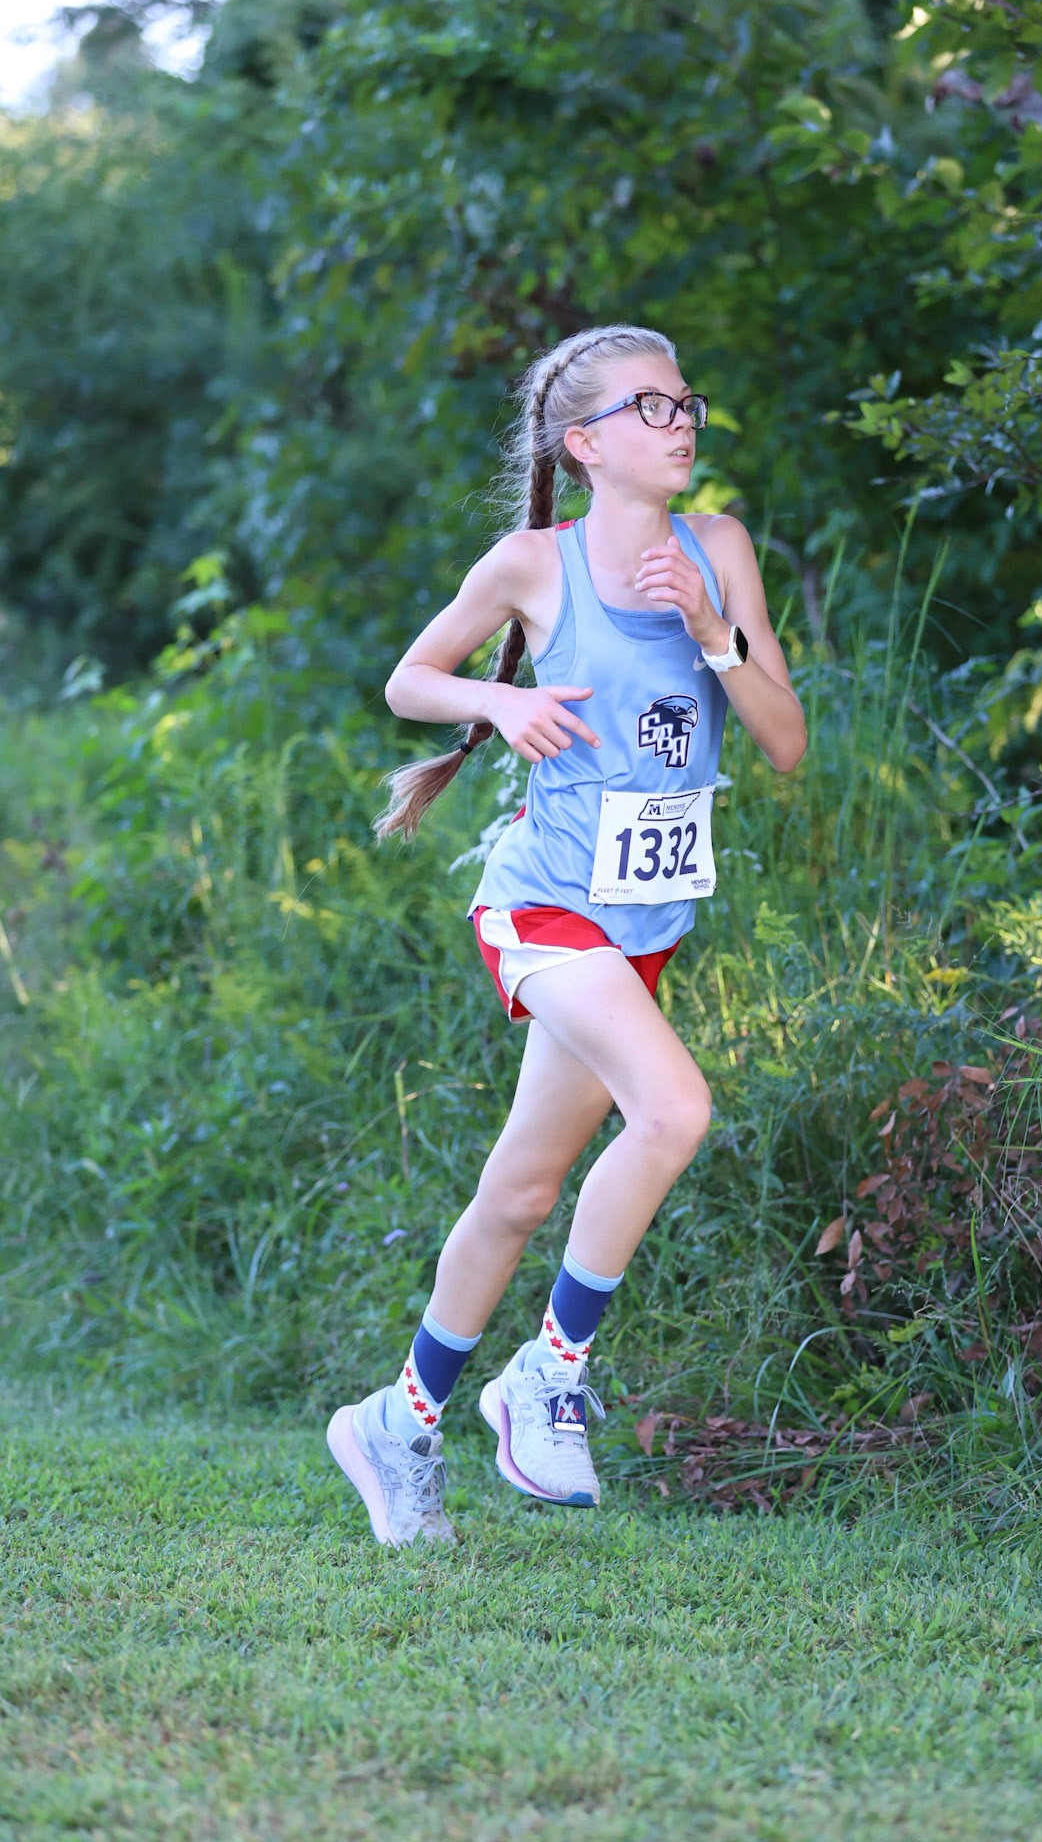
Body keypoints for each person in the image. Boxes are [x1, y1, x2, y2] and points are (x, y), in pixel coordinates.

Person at [326, 323, 806, 1545]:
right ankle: (548, 1372)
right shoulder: (533, 565)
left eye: (688, 400)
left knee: (522, 1188)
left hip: (642, 929)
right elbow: (409, 679)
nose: (684, 420)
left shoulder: (721, 550)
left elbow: (787, 743)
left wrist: (712, 629)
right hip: (540, 905)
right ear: (585, 443)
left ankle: (401, 1418)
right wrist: (504, 696)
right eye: (652, 406)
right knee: (677, 1109)